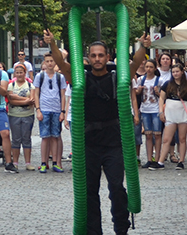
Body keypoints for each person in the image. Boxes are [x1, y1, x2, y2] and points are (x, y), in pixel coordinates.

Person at [46, 30, 147, 235]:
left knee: (117, 189)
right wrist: (52, 45)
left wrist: (144, 46)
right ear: (88, 58)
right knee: (89, 191)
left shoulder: (117, 76)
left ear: (107, 57)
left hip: (114, 143)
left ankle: (121, 228)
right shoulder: (80, 77)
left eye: (101, 55)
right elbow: (62, 65)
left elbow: (135, 64)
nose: (97, 59)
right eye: (93, 55)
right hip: (88, 144)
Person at [157, 61, 187, 170]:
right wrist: (160, 112)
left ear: (182, 72)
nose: (175, 74)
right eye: (173, 72)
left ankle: (181, 160)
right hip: (170, 113)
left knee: (182, 138)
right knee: (166, 139)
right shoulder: (167, 84)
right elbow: (161, 98)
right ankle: (160, 161)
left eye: (177, 71)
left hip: (183, 112)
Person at [33, 53, 66, 173]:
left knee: (55, 136)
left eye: (52, 61)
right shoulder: (39, 76)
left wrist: (62, 111)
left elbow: (63, 95)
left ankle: (56, 162)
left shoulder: (60, 77)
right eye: (47, 61)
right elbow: (36, 94)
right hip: (44, 109)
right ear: (44, 63)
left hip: (56, 109)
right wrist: (38, 109)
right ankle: (43, 162)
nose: (50, 63)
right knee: (45, 136)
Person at [6, 61, 36, 171]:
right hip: (14, 115)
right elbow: (10, 100)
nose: (19, 74)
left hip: (28, 114)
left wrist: (16, 97)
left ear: (25, 73)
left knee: (26, 138)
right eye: (17, 72)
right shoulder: (11, 85)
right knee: (16, 139)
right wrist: (24, 100)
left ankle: (28, 162)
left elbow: (32, 100)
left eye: (21, 72)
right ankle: (15, 162)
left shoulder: (29, 85)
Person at [134, 59, 162, 169]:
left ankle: (158, 158)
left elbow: (163, 96)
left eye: (151, 67)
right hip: (145, 109)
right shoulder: (141, 79)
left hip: (155, 109)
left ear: (155, 68)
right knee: (148, 135)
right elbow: (135, 92)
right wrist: (139, 91)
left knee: (157, 134)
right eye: (147, 67)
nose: (148, 69)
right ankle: (149, 159)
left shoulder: (159, 80)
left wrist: (157, 92)